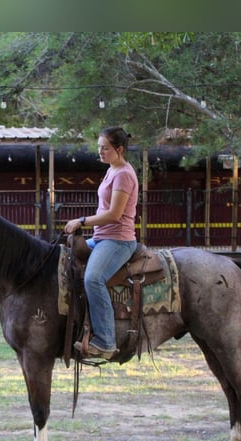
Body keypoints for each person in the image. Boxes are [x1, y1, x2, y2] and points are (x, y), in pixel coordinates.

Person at [65, 126, 139, 359]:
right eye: (98, 147)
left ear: (119, 149)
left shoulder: (124, 175)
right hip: (101, 238)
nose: (100, 152)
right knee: (65, 260)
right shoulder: (112, 170)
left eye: (105, 148)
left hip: (117, 240)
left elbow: (115, 214)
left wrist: (82, 220)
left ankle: (106, 341)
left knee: (94, 278)